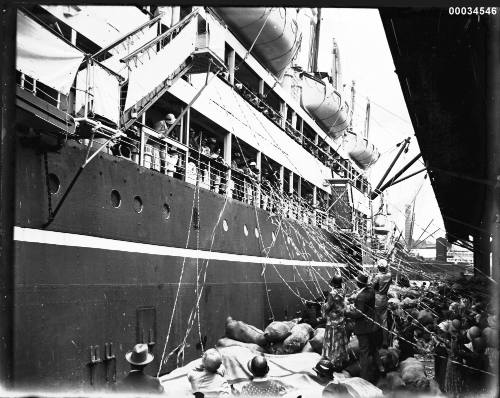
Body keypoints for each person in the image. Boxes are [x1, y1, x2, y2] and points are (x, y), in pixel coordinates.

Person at [345, 272, 382, 382]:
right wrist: (354, 300)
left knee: (364, 352)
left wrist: (346, 312)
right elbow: (365, 303)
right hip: (373, 325)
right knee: (374, 348)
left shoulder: (361, 297)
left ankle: (364, 377)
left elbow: (359, 313)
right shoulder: (370, 291)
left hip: (364, 327)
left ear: (358, 283)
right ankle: (381, 368)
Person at [321, 275, 349, 372]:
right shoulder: (343, 291)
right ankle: (341, 358)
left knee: (331, 339)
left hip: (332, 321)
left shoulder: (332, 294)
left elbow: (328, 306)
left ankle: (332, 360)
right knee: (339, 339)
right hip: (341, 319)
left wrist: (323, 306)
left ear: (333, 283)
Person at [371, 259, 392, 347]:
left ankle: (375, 342)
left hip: (377, 299)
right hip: (384, 299)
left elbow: (372, 287)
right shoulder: (389, 276)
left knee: (375, 321)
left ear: (378, 267)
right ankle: (385, 341)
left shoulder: (377, 277)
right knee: (384, 322)